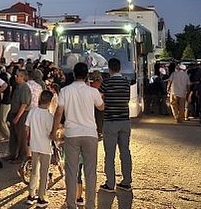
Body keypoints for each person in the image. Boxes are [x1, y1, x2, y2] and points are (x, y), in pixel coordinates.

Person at [51, 62, 104, 209]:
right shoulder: (92, 92)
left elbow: (58, 113)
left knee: (71, 171)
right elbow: (101, 106)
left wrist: (53, 131)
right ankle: (90, 204)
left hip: (72, 134)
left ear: (74, 74)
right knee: (90, 171)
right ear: (86, 75)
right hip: (90, 134)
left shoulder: (65, 91)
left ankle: (71, 204)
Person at [99, 58, 133, 194]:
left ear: (109, 69)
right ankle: (126, 181)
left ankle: (110, 183)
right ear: (120, 68)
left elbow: (99, 99)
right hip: (125, 121)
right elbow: (127, 99)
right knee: (125, 151)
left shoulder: (106, 83)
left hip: (110, 121)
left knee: (110, 154)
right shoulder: (126, 83)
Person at [24, 90, 54, 208]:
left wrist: (28, 140)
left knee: (34, 171)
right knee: (44, 173)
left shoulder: (32, 112)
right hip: (45, 146)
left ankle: (31, 194)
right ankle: (41, 197)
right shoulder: (49, 116)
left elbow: (27, 128)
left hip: (34, 145)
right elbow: (52, 134)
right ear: (50, 102)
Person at [7, 69, 32, 164]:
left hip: (22, 115)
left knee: (21, 136)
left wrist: (17, 117)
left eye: (17, 76)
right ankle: (12, 154)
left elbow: (24, 104)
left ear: (22, 77)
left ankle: (22, 156)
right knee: (14, 135)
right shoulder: (18, 87)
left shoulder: (24, 88)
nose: (15, 77)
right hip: (15, 113)